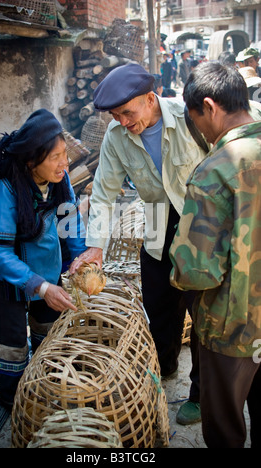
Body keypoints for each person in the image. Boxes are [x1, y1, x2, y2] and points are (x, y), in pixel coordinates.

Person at [69, 62, 207, 425]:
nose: (123, 122)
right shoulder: (117, 138)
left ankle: (200, 393)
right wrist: (95, 246)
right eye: (116, 116)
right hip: (159, 223)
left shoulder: (189, 116)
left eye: (127, 113)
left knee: (204, 312)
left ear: (151, 98)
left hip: (200, 224)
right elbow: (102, 195)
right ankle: (165, 363)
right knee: (160, 304)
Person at [169, 61, 261, 448]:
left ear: (209, 106)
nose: (199, 132)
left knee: (224, 429)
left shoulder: (214, 172)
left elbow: (195, 272)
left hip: (232, 328)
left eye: (196, 120)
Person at [0, 109, 87, 408]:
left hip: (44, 269)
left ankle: (46, 390)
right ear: (30, 160)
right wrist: (41, 287)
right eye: (55, 157)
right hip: (4, 276)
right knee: (11, 347)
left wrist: (82, 259)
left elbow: (71, 225)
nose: (64, 162)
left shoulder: (60, 183)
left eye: (65, 154)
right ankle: (16, 405)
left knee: (48, 333)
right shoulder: (3, 188)